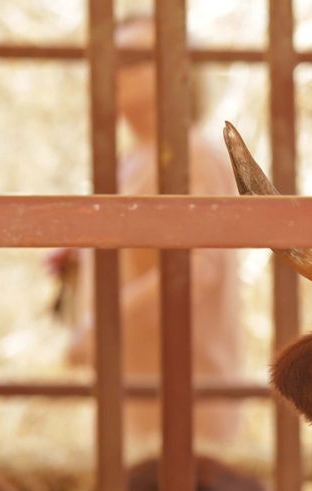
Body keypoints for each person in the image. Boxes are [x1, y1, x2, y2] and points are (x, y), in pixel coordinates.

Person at [56, 13, 244, 452]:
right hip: (139, 398)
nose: (113, 71)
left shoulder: (192, 155)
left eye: (131, 60)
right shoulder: (135, 159)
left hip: (183, 406)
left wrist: (99, 327)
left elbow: (195, 271)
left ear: (178, 72)